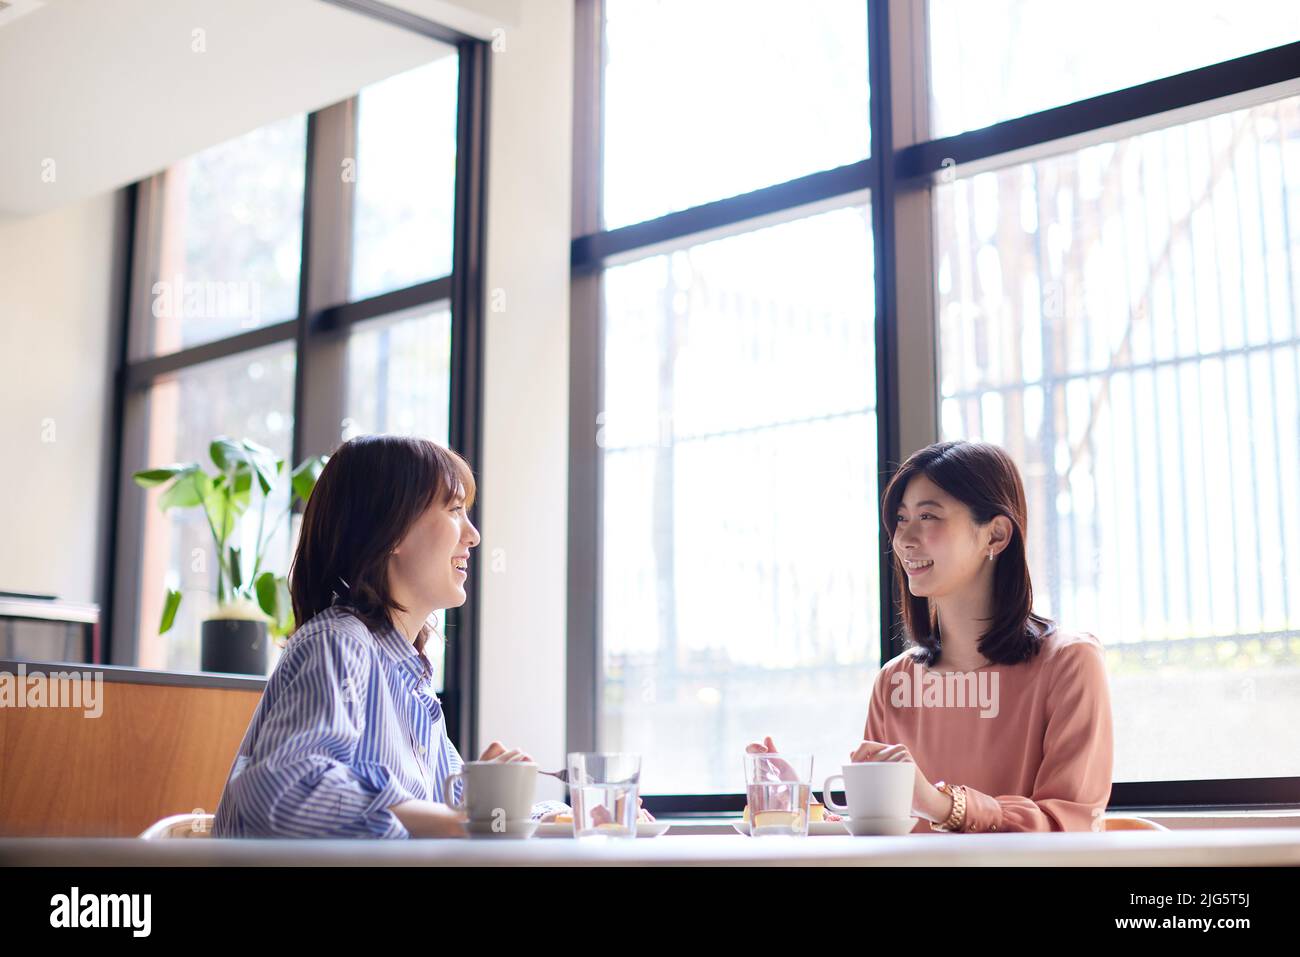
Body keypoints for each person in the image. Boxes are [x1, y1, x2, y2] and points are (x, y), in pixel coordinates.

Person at [212, 434, 568, 838]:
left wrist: (558, 815)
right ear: (393, 531)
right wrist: (465, 821)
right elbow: (286, 790)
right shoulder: (338, 643)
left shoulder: (409, 680)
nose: (473, 536)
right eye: (454, 510)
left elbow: (447, 814)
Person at [750, 440, 1113, 833]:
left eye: (929, 516)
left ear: (996, 535)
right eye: (901, 519)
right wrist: (797, 807)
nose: (905, 539)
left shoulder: (1070, 663)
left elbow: (1068, 824)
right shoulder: (895, 680)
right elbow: (879, 827)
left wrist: (942, 804)